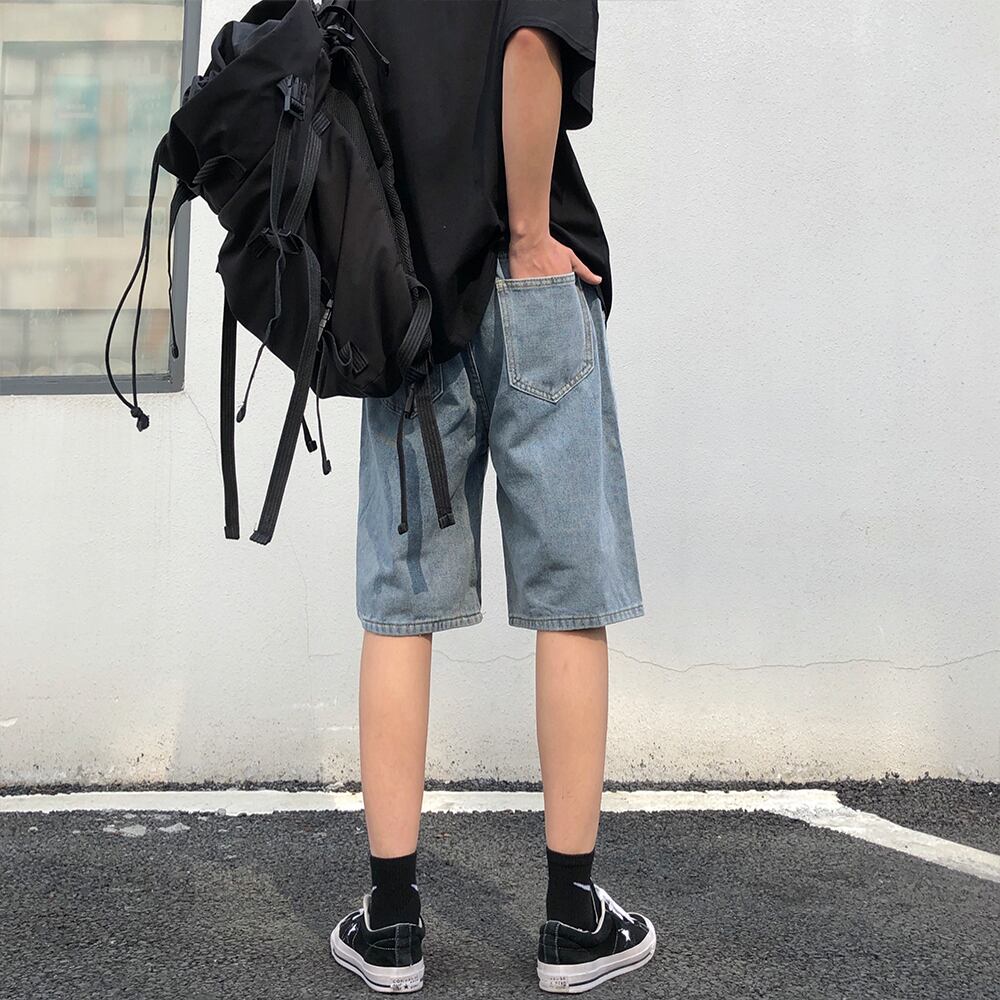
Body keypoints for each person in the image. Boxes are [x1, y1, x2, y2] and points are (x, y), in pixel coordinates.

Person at [326, 1, 653, 992]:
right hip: (528, 282)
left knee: (401, 601)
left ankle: (391, 922)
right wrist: (529, 233)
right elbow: (528, 40)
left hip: (405, 294)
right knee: (569, 593)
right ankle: (572, 917)